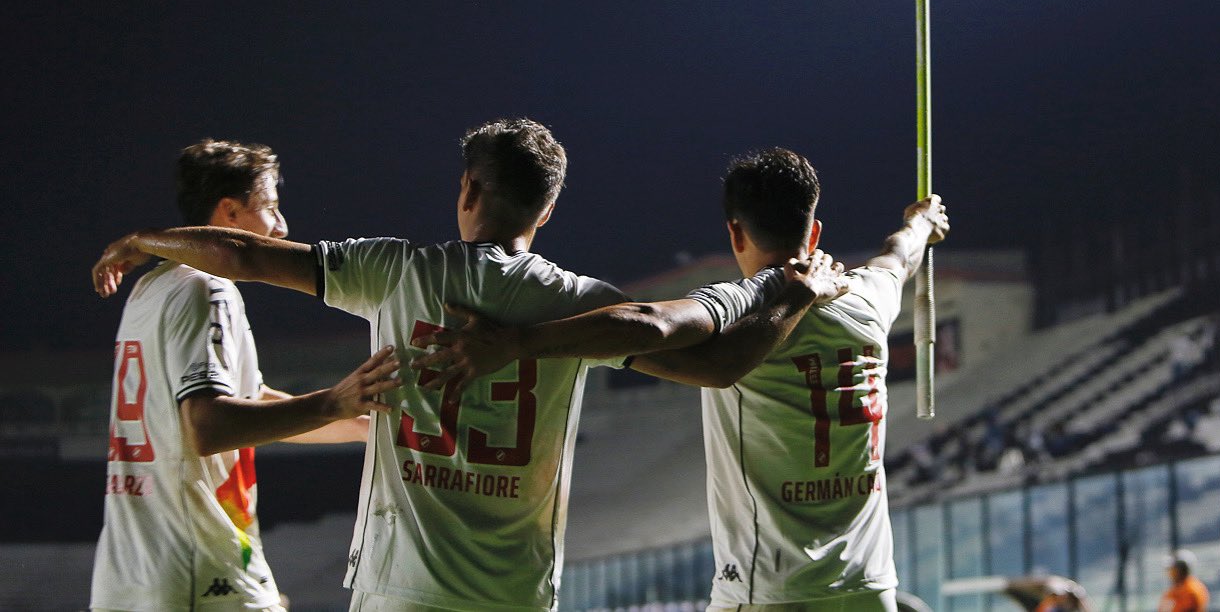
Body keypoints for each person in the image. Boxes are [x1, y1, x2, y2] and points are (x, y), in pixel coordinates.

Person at [93, 120, 845, 612]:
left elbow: (243, 254)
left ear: (467, 190)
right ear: (545, 213)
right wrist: (788, 295)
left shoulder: (397, 271)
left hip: (399, 589)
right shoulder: (579, 304)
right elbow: (719, 367)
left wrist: (148, 240)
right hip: (514, 592)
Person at [419, 148, 949, 611]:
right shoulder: (870, 297)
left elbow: (651, 324)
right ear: (814, 232)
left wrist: (518, 341)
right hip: (868, 586)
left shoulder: (743, 310)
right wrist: (924, 222)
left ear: (735, 232)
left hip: (770, 591)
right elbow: (898, 254)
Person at [89, 139, 399, 612]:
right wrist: (333, 401)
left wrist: (359, 425)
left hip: (133, 577)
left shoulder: (150, 288)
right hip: (199, 573)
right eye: (270, 207)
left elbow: (250, 403)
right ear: (230, 213)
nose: (281, 225)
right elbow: (210, 427)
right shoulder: (208, 289)